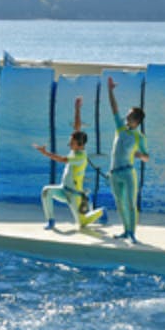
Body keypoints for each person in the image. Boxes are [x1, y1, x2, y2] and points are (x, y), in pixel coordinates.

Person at [33, 96, 104, 230]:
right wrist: (77, 109)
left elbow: (62, 159)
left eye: (72, 143)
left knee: (82, 223)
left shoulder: (80, 157)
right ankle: (51, 220)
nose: (69, 144)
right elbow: (77, 127)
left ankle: (101, 212)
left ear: (80, 145)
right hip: (63, 189)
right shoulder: (76, 148)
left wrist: (45, 153)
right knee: (46, 191)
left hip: (74, 195)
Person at [106, 76, 149, 243]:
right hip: (114, 173)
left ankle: (132, 233)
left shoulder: (140, 137)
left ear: (136, 121)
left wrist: (140, 155)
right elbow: (114, 108)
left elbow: (147, 158)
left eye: (130, 116)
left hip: (128, 173)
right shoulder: (120, 128)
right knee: (119, 203)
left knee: (130, 203)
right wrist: (110, 90)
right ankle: (125, 230)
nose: (126, 117)